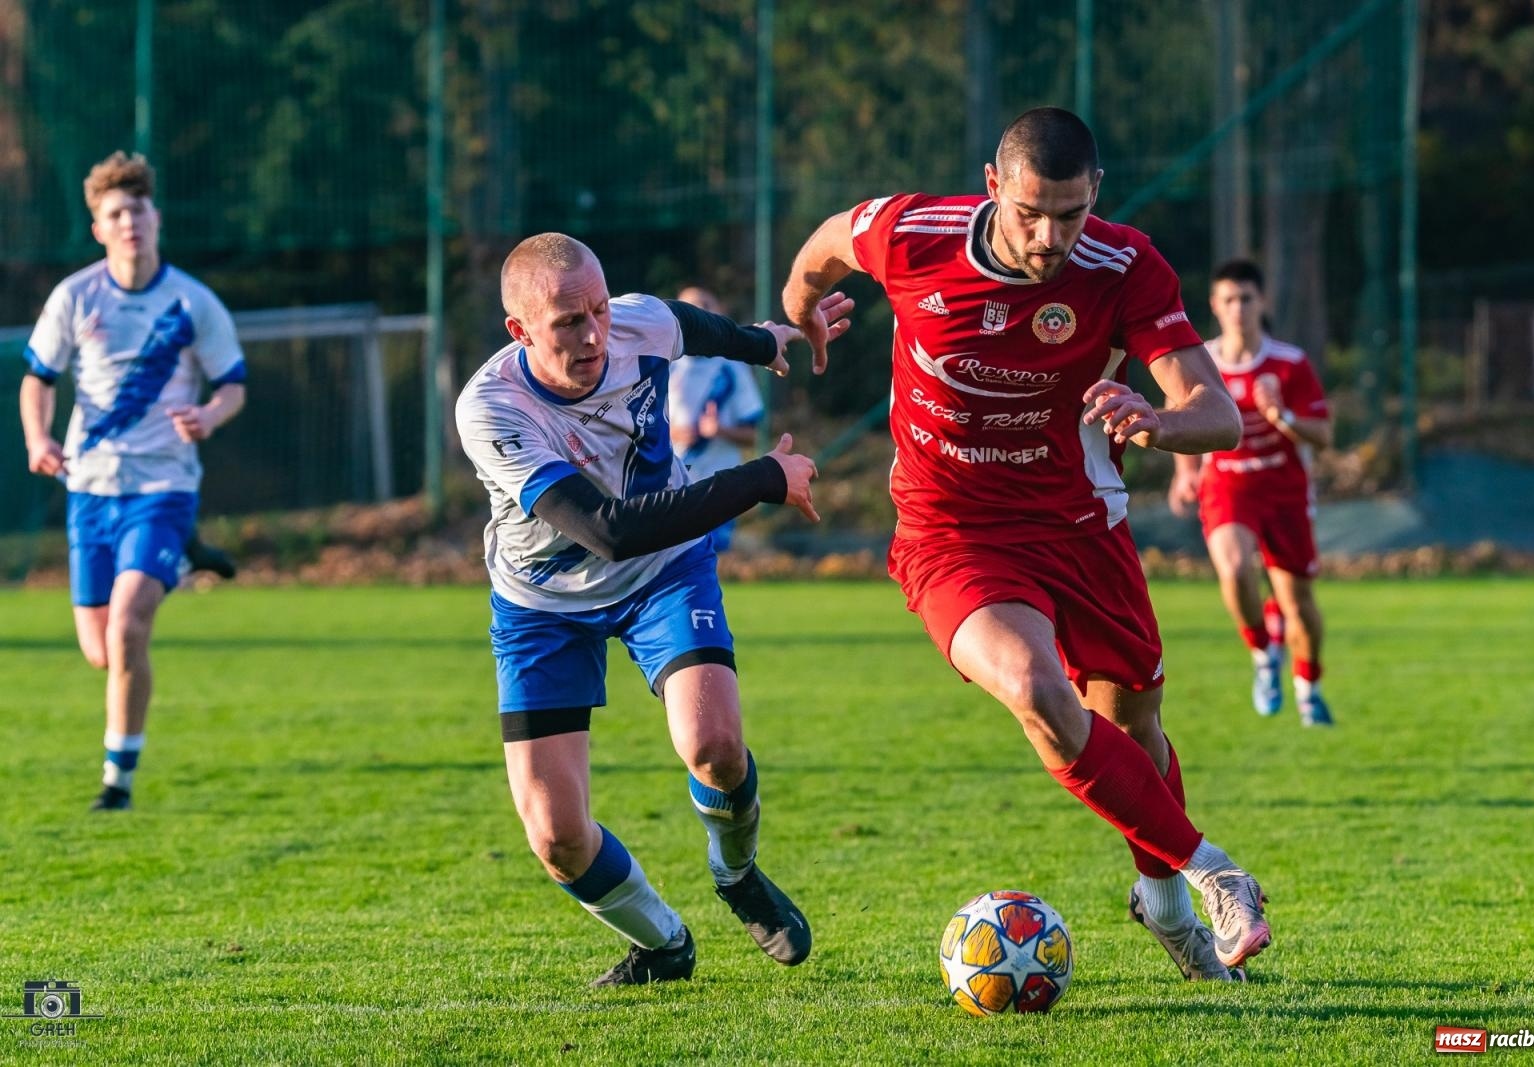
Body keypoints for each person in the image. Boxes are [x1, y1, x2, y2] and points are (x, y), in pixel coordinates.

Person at [782, 107, 1272, 981]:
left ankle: (1160, 902)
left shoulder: (1124, 265)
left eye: (1072, 215)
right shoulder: (910, 234)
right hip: (953, 531)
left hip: (1083, 529)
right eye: (1031, 213)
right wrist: (799, 309)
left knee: (1136, 729)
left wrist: (1158, 420)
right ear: (993, 186)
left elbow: (1219, 414)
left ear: (1098, 198)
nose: (1051, 237)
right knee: (1038, 690)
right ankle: (1214, 873)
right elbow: (824, 246)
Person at [455, 233, 852, 987]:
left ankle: (736, 874)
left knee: (716, 747)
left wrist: (765, 340)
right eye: (568, 322)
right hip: (544, 604)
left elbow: (686, 324)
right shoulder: (492, 409)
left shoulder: (635, 322)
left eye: (599, 310)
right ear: (520, 331)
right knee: (557, 837)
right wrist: (763, 475)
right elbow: (609, 530)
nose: (594, 334)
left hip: (664, 571)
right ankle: (663, 943)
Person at [19, 150, 247, 811]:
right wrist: (39, 438)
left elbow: (232, 384)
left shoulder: (193, 301)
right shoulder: (75, 296)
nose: (129, 222)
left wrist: (206, 414)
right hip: (90, 490)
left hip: (163, 487)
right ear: (98, 226)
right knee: (100, 651)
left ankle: (116, 779)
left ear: (157, 217)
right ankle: (186, 556)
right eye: (115, 213)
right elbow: (38, 377)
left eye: (138, 209)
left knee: (126, 629)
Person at [1168, 259, 1334, 726]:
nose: (1238, 308)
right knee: (1236, 567)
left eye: (1246, 298)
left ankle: (1309, 688)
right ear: (1215, 307)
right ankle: (1263, 653)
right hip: (1226, 485)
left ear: (1262, 303)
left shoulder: (1289, 363)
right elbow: (1179, 415)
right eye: (1229, 300)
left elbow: (1322, 435)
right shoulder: (1201, 361)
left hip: (1284, 490)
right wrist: (1184, 473)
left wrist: (1282, 416)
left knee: (1298, 603)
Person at [666, 286, 767, 552]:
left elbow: (753, 435)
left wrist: (719, 430)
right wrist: (673, 434)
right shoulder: (664, 366)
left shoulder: (732, 368)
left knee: (711, 554)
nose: (699, 314)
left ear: (720, 311)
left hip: (718, 484)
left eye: (706, 305)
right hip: (670, 485)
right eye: (690, 308)